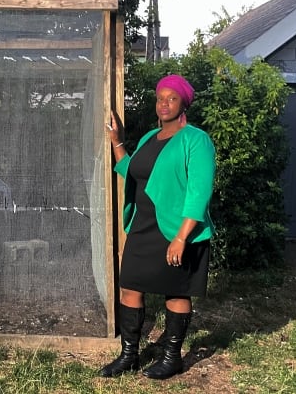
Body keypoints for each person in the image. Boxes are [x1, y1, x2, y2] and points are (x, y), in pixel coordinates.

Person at [99, 74, 216, 380]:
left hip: (177, 231)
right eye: (160, 98)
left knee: (175, 291)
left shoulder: (196, 140)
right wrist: (117, 142)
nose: (164, 104)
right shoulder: (151, 137)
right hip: (143, 226)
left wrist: (181, 238)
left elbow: (198, 193)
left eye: (171, 98)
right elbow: (135, 172)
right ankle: (129, 356)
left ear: (183, 103)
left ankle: (172, 358)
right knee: (130, 287)